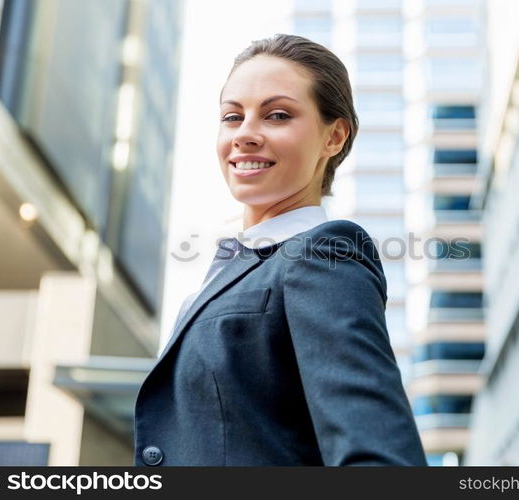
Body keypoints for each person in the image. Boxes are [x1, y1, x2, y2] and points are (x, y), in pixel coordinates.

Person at [134, 34, 427, 466]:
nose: (245, 134)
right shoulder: (231, 268)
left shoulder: (323, 256)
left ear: (334, 136)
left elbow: (379, 458)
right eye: (232, 117)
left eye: (277, 115)